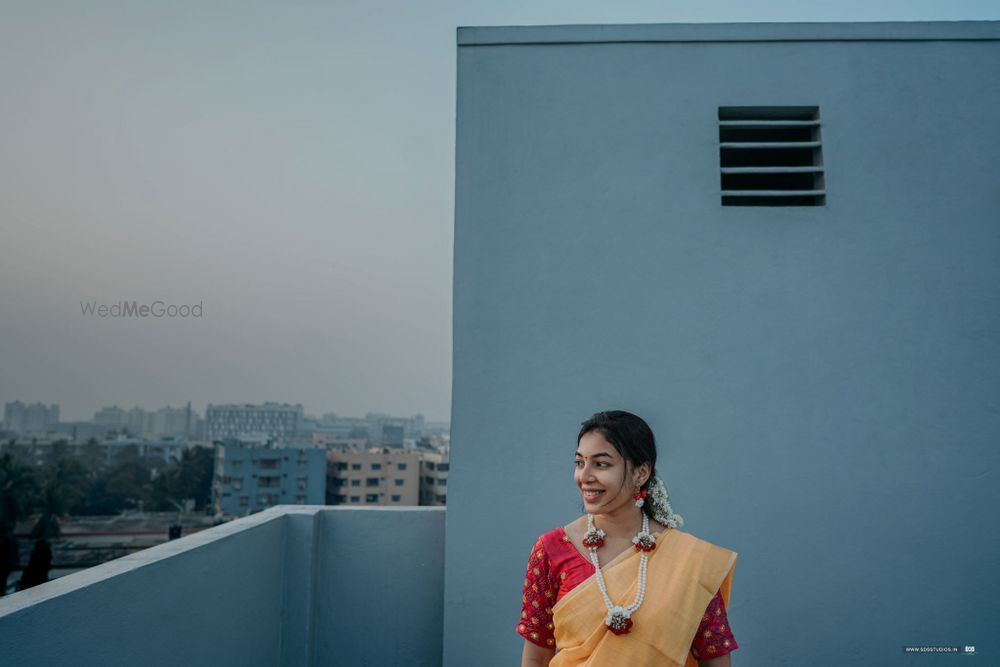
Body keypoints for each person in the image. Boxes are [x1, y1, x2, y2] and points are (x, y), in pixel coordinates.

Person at [517, 410, 739, 667]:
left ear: (641, 473)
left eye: (601, 464)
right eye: (580, 462)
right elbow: (536, 657)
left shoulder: (687, 562)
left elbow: (715, 657)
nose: (584, 476)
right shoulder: (552, 549)